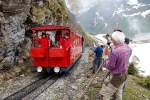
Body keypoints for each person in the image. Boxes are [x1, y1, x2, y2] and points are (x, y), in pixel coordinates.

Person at [99, 30, 132, 100]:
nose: (111, 40)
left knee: (106, 94)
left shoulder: (115, 52)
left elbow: (110, 66)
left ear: (114, 40)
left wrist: (105, 62)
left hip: (117, 76)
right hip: (125, 73)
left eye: (112, 39)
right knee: (119, 92)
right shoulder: (128, 48)